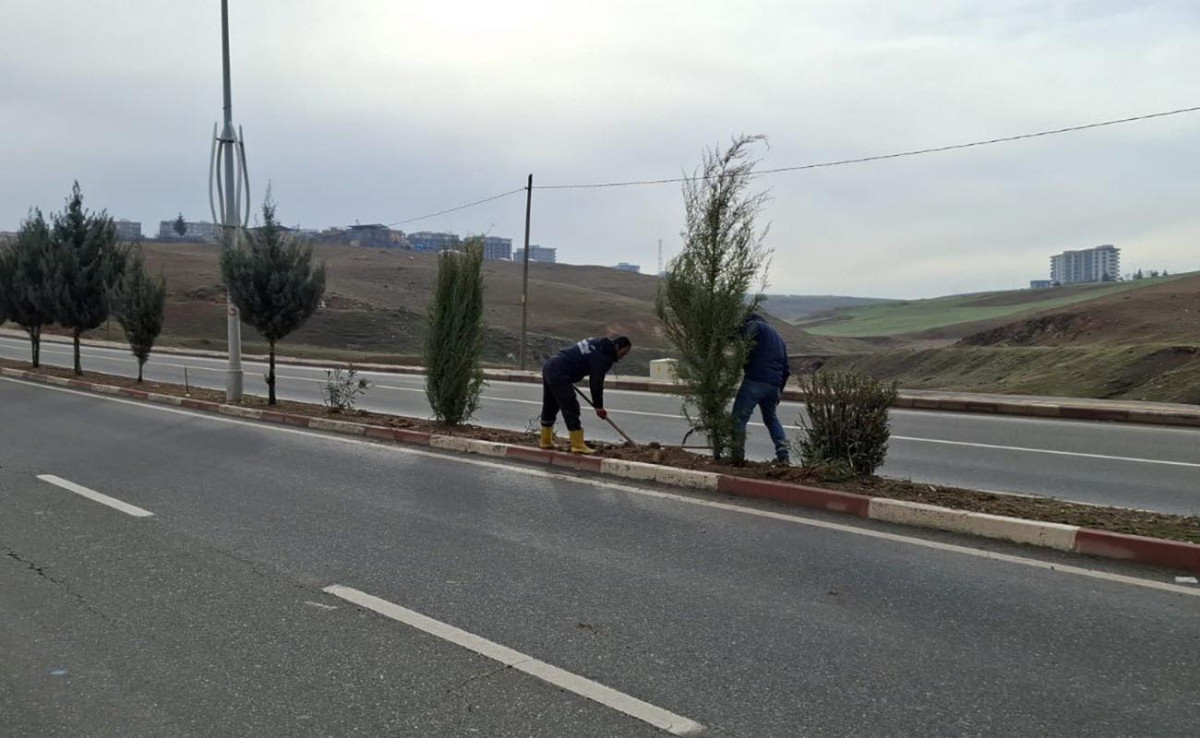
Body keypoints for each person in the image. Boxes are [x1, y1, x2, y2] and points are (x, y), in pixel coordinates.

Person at [540, 336, 632, 454]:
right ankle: (577, 445)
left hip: (551, 366)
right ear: (617, 347)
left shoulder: (598, 343)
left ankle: (545, 441)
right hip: (559, 371)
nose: (622, 357)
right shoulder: (603, 357)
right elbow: (596, 383)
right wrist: (598, 406)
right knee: (571, 407)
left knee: (550, 405)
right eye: (623, 353)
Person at [732, 314, 790, 464]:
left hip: (755, 380)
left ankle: (737, 455)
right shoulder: (780, 340)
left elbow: (745, 339)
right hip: (774, 385)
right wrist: (779, 393)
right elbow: (787, 370)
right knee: (771, 418)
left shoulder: (756, 325)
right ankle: (783, 455)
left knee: (738, 418)